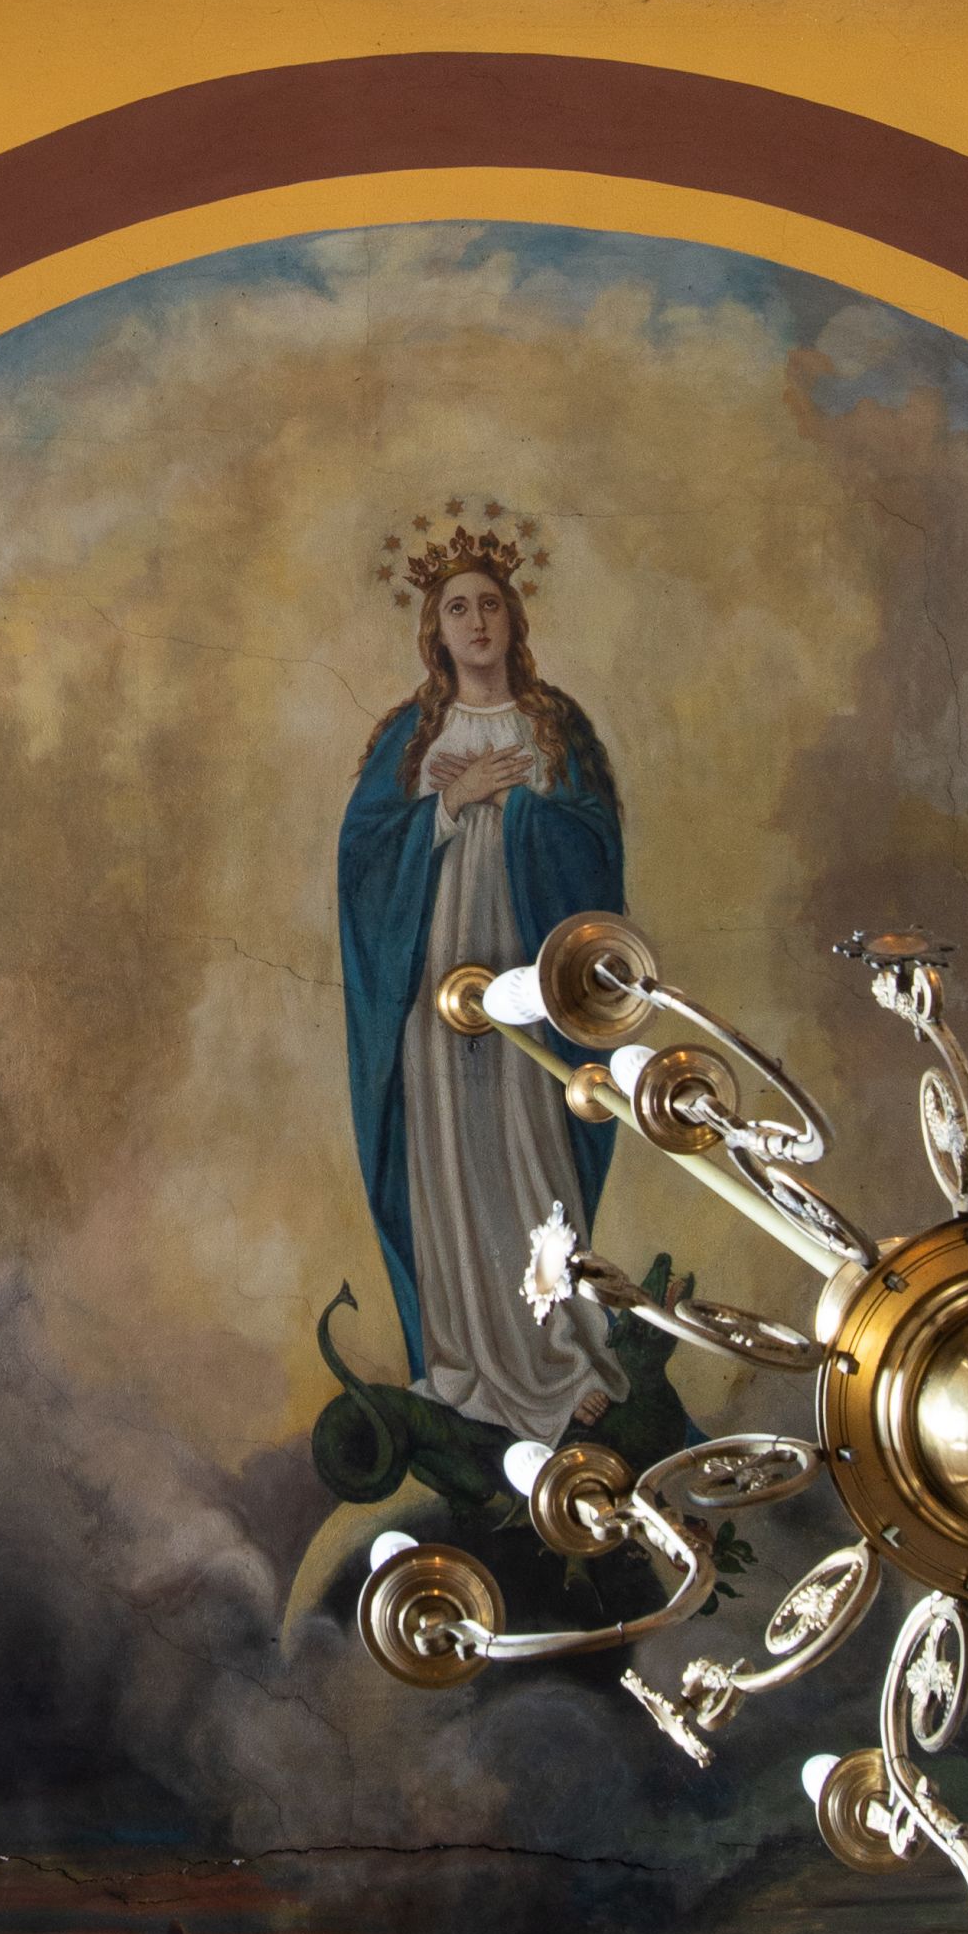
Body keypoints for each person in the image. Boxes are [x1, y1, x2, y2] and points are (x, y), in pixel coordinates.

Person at [339, 510, 628, 1446]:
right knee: (451, 1166)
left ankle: (560, 1354)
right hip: (433, 987)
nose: (476, 622)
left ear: (513, 619)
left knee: (531, 1153)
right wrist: (448, 805)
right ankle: (461, 1361)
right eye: (458, 608)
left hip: (530, 983)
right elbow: (363, 860)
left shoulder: (555, 726)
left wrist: (524, 811)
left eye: (490, 605)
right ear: (436, 630)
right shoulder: (409, 738)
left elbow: (597, 847)